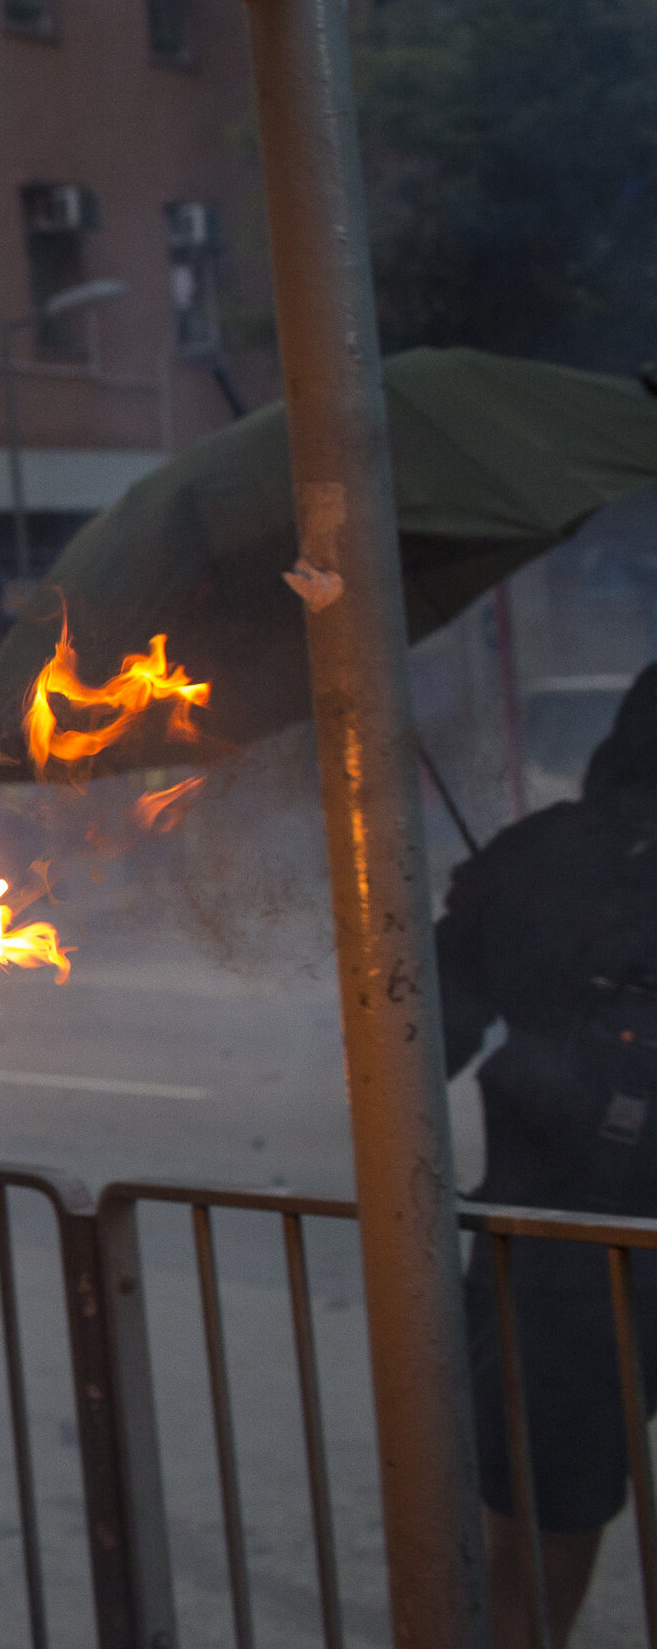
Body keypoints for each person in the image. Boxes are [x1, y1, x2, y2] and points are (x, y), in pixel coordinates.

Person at [437, 661, 657, 1649]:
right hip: (568, 1257)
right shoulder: (536, 862)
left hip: (553, 1253)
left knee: (531, 1531)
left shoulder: (533, 858)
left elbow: (415, 1044)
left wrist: (488, 914)